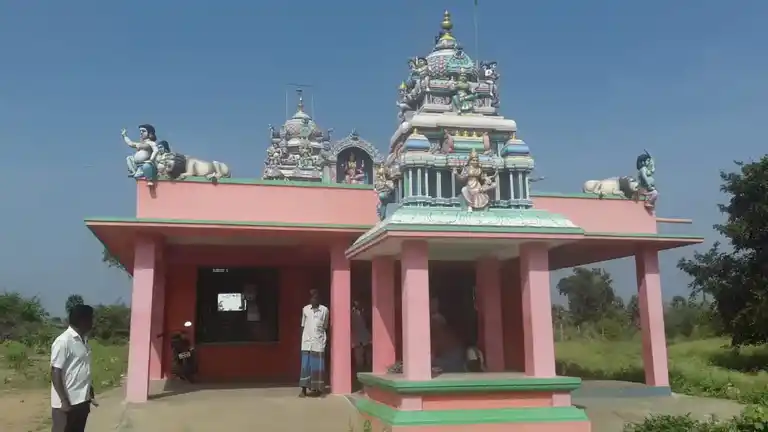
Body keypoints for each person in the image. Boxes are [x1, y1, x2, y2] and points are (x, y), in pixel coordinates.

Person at [51, 304, 97, 432]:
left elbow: (81, 367)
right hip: (67, 403)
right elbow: (55, 371)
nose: (93, 322)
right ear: (83, 320)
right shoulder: (63, 341)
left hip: (82, 400)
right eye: (91, 319)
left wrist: (89, 389)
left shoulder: (84, 341)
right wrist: (64, 400)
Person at [299, 290, 329, 397]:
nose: (313, 299)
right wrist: (303, 339)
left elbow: (325, 326)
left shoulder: (324, 310)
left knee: (318, 368)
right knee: (305, 367)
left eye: (316, 297)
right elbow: (303, 325)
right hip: (307, 343)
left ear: (319, 299)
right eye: (312, 297)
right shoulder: (305, 309)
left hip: (318, 342)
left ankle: (319, 390)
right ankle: (303, 390)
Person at [351, 300, 371, 371]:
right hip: (356, 337)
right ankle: (359, 371)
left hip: (366, 335)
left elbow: (368, 323)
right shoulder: (351, 313)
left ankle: (368, 368)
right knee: (359, 356)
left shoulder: (365, 312)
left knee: (368, 354)